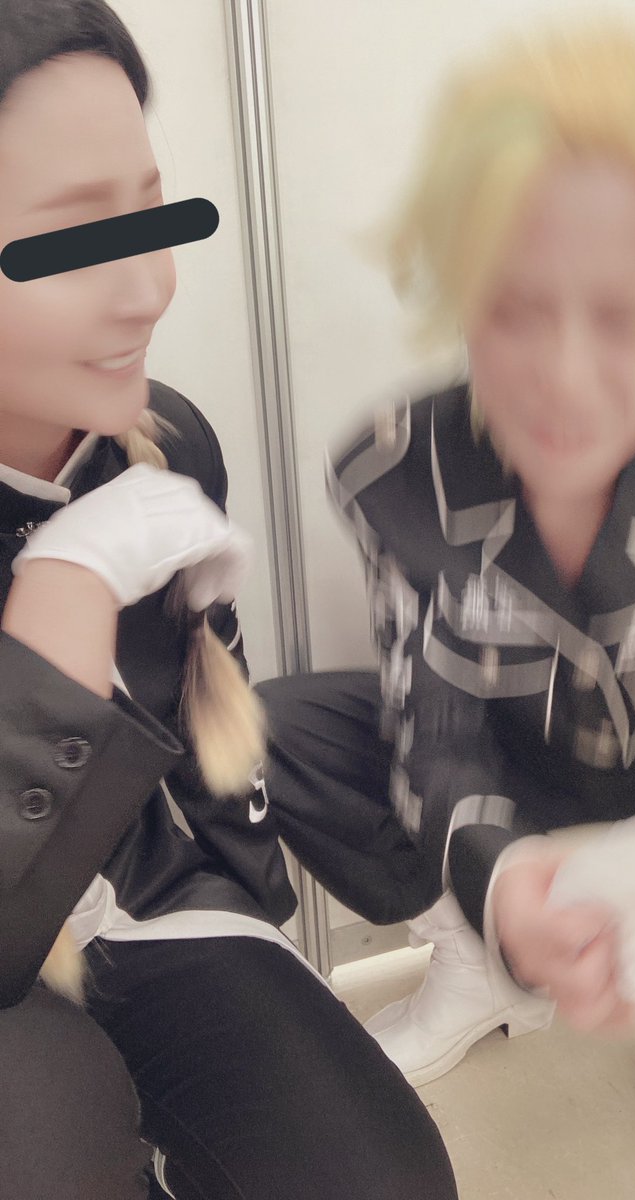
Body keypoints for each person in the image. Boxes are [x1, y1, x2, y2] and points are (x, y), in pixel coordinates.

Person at [0, 3, 461, 1198]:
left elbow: (223, 750)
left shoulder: (166, 443)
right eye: (71, 235)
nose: (150, 286)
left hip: (150, 901)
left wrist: (262, 959)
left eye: (149, 209)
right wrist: (60, 607)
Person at [257, 19, 635, 1179]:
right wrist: (503, 887)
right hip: (526, 768)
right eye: (516, 309)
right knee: (273, 732)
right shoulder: (398, 469)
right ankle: (475, 960)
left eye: (621, 317)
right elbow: (433, 726)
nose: (564, 375)